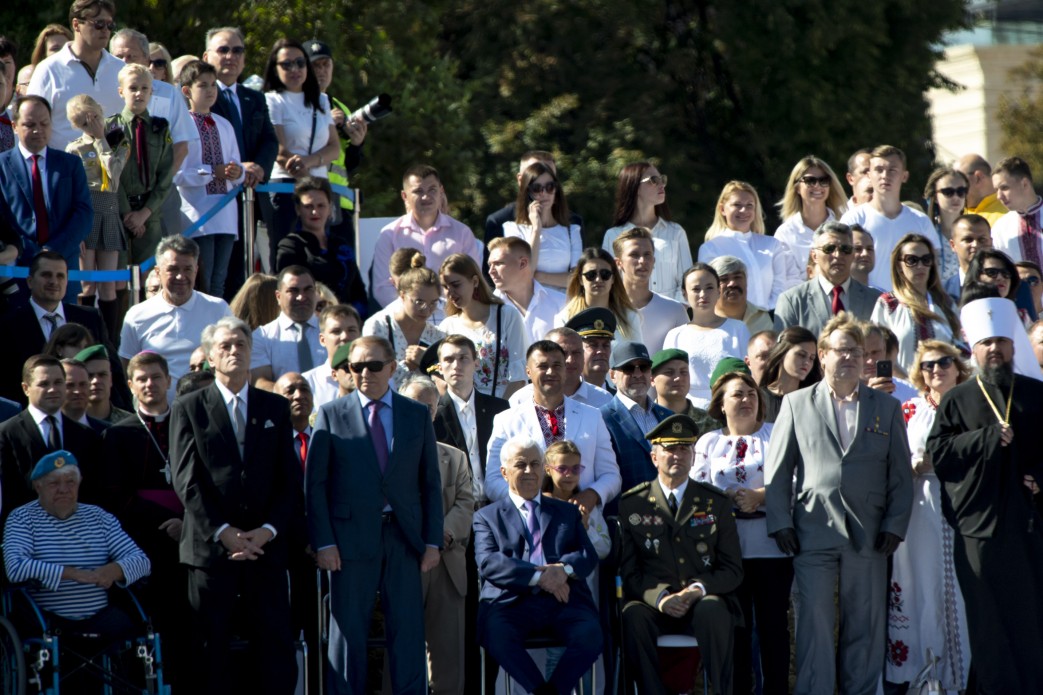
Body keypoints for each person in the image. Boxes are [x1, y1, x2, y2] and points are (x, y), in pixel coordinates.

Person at [765, 312, 913, 695]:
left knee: (864, 626)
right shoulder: (796, 403)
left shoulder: (886, 407)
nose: (849, 357)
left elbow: (900, 474)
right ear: (823, 355)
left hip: (870, 534)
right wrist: (780, 521)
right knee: (813, 624)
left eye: (856, 351)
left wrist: (895, 526)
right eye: (841, 350)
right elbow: (778, 471)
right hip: (812, 531)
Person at [170, 316, 300, 694]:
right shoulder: (189, 406)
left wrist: (268, 531)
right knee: (211, 650)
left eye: (241, 344)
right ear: (210, 357)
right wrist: (223, 531)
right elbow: (186, 479)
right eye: (224, 346)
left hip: (264, 549)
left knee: (274, 648)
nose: (234, 351)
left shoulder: (275, 407)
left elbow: (289, 479)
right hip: (211, 551)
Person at [306, 335, 442, 695]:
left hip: (404, 537)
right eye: (356, 366)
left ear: (392, 367)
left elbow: (430, 483)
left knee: (408, 632)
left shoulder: (416, 414)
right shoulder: (331, 413)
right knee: (347, 634)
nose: (365, 373)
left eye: (374, 365)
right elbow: (315, 486)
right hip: (349, 541)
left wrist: (432, 541)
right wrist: (324, 542)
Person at [927, 296, 1043, 693]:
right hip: (979, 529)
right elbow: (940, 453)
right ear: (973, 349)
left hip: (1029, 525)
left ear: (1012, 345)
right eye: (986, 343)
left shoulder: (1036, 393)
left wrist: (1040, 477)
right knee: (987, 620)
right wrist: (985, 439)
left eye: (1001, 341)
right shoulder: (957, 399)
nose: (994, 349)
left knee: (1030, 616)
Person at [619, 413, 744, 695]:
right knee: (632, 615)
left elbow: (732, 569)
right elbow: (630, 572)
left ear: (693, 455)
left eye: (685, 448)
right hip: (655, 605)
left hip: (702, 603)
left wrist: (696, 590)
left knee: (713, 609)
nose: (678, 455)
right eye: (670, 448)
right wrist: (661, 598)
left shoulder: (715, 502)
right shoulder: (633, 503)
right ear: (654, 457)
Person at [473, 436, 602, 695]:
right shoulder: (486, 516)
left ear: (543, 469)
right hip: (512, 601)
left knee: (590, 634)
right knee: (496, 634)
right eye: (520, 465)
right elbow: (488, 562)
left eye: (535, 464)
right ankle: (541, 690)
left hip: (564, 600)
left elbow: (587, 554)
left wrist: (562, 571)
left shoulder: (567, 512)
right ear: (504, 472)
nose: (529, 471)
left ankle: (553, 689)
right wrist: (538, 577)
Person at [694, 371, 790, 695]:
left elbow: (795, 479)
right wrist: (726, 498)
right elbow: (696, 489)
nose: (747, 399)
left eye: (751, 393)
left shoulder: (775, 434)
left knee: (773, 630)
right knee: (736, 630)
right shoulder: (709, 442)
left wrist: (760, 496)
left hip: (770, 549)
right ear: (721, 404)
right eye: (737, 394)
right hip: (727, 552)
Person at [885, 340, 971, 692]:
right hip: (920, 506)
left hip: (963, 504)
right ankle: (924, 675)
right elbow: (891, 459)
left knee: (961, 588)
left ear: (958, 367)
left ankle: (963, 673)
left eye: (944, 362)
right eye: (928, 365)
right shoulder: (908, 409)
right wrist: (914, 465)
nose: (936, 369)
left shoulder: (973, 405)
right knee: (919, 582)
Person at [3, 449, 150, 645]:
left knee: (136, 631)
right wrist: (72, 573)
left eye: (70, 482)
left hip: (101, 619)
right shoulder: (22, 518)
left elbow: (142, 561)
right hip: (47, 620)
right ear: (38, 487)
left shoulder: (98, 517)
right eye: (54, 483)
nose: (63, 489)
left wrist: (113, 571)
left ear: (79, 483)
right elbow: (15, 568)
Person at [101, 349, 187, 682]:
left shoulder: (189, 425)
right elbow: (115, 495)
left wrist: (188, 522)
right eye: (142, 379)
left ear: (169, 380)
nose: (150, 384)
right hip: (144, 543)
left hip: (189, 538)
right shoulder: (117, 434)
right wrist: (164, 520)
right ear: (131, 385)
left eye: (156, 377)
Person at [386, 375, 473, 695]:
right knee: (400, 652)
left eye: (429, 407)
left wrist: (441, 532)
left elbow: (466, 502)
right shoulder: (384, 455)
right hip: (403, 560)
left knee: (448, 657)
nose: (422, 412)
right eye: (414, 405)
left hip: (447, 564)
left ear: (435, 413)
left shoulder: (455, 457)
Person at [486, 340, 621, 510]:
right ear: (528, 372)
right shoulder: (506, 420)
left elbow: (611, 475)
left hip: (582, 518)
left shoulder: (592, 416)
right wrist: (530, 502)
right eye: (542, 366)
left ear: (565, 370)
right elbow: (493, 481)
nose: (550, 372)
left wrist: (592, 494)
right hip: (528, 519)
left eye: (557, 365)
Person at [202, 26, 278, 300]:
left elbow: (269, 140)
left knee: (250, 277)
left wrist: (258, 167)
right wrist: (239, 167)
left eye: (237, 50)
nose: (230, 56)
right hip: (216, 201)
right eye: (223, 50)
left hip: (252, 197)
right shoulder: (201, 98)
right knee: (218, 279)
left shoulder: (254, 97)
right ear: (206, 56)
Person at [1, 251, 124, 407]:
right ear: (30, 281)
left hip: (86, 413)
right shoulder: (9, 324)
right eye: (46, 275)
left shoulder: (90, 318)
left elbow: (113, 370)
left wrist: (125, 413)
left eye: (60, 276)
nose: (54, 281)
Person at [119, 236, 232, 402]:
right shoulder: (136, 316)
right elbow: (127, 367)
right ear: (158, 271)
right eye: (173, 269)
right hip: (155, 411)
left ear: (196, 270)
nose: (181, 276)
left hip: (207, 408)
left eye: (187, 269)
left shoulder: (218, 309)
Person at [540, 439, 612, 694]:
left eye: (575, 468)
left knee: (584, 649)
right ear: (548, 469)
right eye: (562, 468)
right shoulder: (539, 506)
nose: (569, 475)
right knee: (556, 652)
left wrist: (585, 528)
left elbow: (604, 548)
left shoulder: (586, 506)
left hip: (582, 593)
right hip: (548, 592)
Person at [0, 95, 92, 293]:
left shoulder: (71, 164)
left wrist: (52, 251)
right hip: (18, 271)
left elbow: (83, 213)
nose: (38, 130)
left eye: (44, 124)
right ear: (14, 126)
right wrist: (30, 251)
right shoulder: (1, 166)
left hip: (63, 268)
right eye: (30, 124)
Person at [262, 38, 340, 269]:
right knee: (286, 254)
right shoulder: (272, 100)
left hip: (318, 186)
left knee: (321, 253)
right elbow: (278, 148)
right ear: (275, 69)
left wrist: (309, 162)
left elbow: (334, 148)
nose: (295, 69)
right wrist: (302, 170)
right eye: (286, 64)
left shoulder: (321, 100)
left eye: (300, 63)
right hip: (285, 187)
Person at [0, 354, 102, 524]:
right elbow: (8, 493)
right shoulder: (7, 433)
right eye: (44, 384)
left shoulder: (86, 435)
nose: (53, 389)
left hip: (78, 530)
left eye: (58, 382)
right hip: (26, 530)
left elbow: (93, 491)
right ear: (26, 388)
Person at [173, 59, 244, 297]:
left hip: (226, 214)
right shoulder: (180, 126)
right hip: (198, 215)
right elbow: (177, 174)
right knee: (202, 279)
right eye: (203, 85)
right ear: (186, 91)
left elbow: (236, 165)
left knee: (219, 281)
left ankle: (218, 319)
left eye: (213, 84)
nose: (210, 90)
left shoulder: (225, 125)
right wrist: (213, 172)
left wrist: (237, 172)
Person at [372, 164, 481, 307]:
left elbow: (472, 281)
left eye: (432, 190)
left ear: (441, 191)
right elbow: (382, 288)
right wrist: (413, 312)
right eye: (418, 191)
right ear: (404, 196)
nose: (426, 197)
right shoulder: (389, 234)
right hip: (406, 317)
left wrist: (446, 313)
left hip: (452, 315)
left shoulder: (462, 233)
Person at [840, 145, 940, 292]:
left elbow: (934, 267)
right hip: (867, 302)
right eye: (879, 170)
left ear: (904, 176)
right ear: (869, 175)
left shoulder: (921, 220)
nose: (885, 175)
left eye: (892, 170)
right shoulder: (852, 219)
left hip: (911, 302)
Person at [27, 0, 124, 150]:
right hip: (65, 162)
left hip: (116, 162)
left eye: (110, 25)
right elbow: (32, 123)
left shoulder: (121, 69)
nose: (105, 30)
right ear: (76, 24)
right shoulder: (48, 70)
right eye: (99, 24)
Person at [65, 93, 130, 316]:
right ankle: (83, 330)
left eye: (94, 118)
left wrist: (101, 139)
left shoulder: (118, 140)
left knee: (108, 284)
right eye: (85, 124)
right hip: (86, 212)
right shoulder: (74, 148)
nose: (92, 126)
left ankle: (109, 333)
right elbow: (71, 191)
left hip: (109, 210)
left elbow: (114, 175)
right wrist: (77, 231)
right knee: (86, 284)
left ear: (101, 111)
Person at [106, 63, 175, 266]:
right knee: (118, 275)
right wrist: (129, 215)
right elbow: (110, 174)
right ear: (121, 92)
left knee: (149, 274)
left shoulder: (160, 128)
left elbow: (165, 175)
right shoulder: (112, 126)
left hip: (149, 213)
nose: (139, 93)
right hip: (119, 212)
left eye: (145, 88)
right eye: (133, 88)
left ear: (151, 91)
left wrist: (144, 214)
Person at [433, 334, 510, 506]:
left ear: (476, 363)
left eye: (463, 358)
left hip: (499, 505)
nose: (456, 365)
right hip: (455, 509)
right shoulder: (433, 417)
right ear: (439, 367)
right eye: (449, 359)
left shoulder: (500, 409)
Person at [438, 253, 527, 399]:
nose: (450, 293)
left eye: (456, 285)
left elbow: (519, 376)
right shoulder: (447, 326)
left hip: (505, 403)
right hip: (466, 406)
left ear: (474, 281)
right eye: (445, 287)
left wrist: (500, 408)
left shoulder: (506, 315)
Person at [871, 233, 961, 373]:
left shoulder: (946, 304)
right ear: (899, 266)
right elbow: (876, 353)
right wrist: (906, 382)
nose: (920, 266)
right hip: (901, 385)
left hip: (942, 383)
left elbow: (961, 352)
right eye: (912, 260)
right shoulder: (888, 304)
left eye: (926, 260)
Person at [304, 40, 367, 243]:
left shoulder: (342, 108)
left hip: (340, 203)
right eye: (315, 65)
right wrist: (325, 123)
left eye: (326, 65)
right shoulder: (295, 107)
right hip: (309, 202)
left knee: (343, 261)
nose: (321, 71)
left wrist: (357, 144)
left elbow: (349, 165)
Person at [699, 180, 798, 309]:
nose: (744, 210)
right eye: (737, 205)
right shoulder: (711, 248)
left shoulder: (772, 244)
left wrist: (764, 314)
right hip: (729, 319)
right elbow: (709, 291)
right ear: (722, 209)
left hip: (769, 317)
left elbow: (780, 287)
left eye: (749, 205)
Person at [774, 220, 882, 337]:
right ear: (814, 256)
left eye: (845, 249)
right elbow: (785, 347)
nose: (838, 255)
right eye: (829, 248)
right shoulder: (793, 301)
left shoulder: (874, 299)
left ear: (852, 254)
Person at [663, 263, 750, 407]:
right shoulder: (675, 335)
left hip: (731, 407)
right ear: (684, 294)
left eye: (709, 288)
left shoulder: (738, 329)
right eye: (696, 289)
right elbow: (667, 380)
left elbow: (749, 373)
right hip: (688, 410)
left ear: (718, 291)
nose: (703, 294)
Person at [602, 161, 692, 301]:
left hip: (671, 312)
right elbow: (608, 282)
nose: (661, 185)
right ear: (635, 187)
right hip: (628, 311)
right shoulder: (612, 235)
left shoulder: (676, 232)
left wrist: (674, 310)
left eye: (662, 179)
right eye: (653, 180)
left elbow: (688, 281)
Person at [276, 176, 366, 311]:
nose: (315, 212)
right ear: (298, 209)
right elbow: (290, 292)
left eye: (321, 206)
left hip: (346, 317)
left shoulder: (341, 245)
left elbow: (358, 290)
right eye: (308, 206)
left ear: (330, 208)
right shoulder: (289, 246)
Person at [362, 252, 446, 391]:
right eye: (419, 302)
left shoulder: (437, 336)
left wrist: (427, 362)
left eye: (433, 303)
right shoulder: (378, 326)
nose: (426, 309)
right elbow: (369, 373)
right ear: (402, 295)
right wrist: (407, 366)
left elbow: (445, 382)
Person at [599, 341, 673, 497]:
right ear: (612, 375)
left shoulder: (669, 417)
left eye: (643, 367)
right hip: (626, 507)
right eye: (628, 368)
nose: (638, 374)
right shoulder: (601, 419)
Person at [503, 161, 581, 291]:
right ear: (527, 193)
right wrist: (536, 229)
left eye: (550, 187)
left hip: (563, 301)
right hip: (530, 301)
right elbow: (524, 274)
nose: (544, 193)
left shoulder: (572, 231)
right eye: (536, 188)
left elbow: (577, 279)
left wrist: (539, 276)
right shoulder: (514, 230)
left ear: (556, 191)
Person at [484, 150, 584, 248]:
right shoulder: (499, 221)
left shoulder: (573, 223)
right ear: (521, 180)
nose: (544, 192)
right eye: (536, 185)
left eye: (550, 185)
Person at [249, 266, 327, 390]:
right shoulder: (263, 337)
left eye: (308, 289)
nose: (301, 297)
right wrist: (293, 396)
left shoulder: (332, 331)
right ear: (278, 296)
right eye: (293, 291)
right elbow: (260, 382)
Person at [613, 226, 690, 352]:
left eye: (647, 255)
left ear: (653, 261)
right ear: (618, 263)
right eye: (634, 255)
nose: (642, 261)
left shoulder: (675, 310)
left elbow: (686, 356)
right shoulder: (607, 308)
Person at [508, 326, 614, 409]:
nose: (570, 360)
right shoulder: (521, 400)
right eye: (563, 353)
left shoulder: (603, 399)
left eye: (576, 353)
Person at [774, 155, 849, 272]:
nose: (817, 185)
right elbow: (786, 276)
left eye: (823, 180)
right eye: (810, 181)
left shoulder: (845, 224)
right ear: (797, 188)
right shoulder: (785, 233)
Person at [487, 235, 566, 345]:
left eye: (498, 263)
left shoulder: (562, 303)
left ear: (522, 263)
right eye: (490, 265)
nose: (491, 271)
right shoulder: (487, 309)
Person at [556, 247, 642, 341]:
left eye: (605, 274)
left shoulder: (629, 317)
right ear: (580, 279)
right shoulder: (565, 318)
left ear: (613, 278)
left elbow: (638, 350)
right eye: (591, 275)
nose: (598, 279)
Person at [650, 348, 722, 434]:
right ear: (652, 380)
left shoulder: (710, 422)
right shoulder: (644, 421)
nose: (678, 378)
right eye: (669, 372)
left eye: (683, 372)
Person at [303, 303, 361, 408]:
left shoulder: (378, 376)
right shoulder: (307, 383)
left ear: (360, 335)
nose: (345, 336)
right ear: (322, 339)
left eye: (351, 330)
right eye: (336, 331)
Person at [758, 326, 821, 423]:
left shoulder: (814, 401)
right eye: (801, 355)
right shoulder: (758, 397)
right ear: (783, 353)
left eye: (811, 358)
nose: (807, 362)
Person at [964, 248, 1032, 328]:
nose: (1000, 278)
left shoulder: (1022, 318)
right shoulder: (964, 317)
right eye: (992, 272)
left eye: (1005, 273)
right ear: (977, 276)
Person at [923, 166, 969, 283]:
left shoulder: (976, 233)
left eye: (961, 191)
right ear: (935, 197)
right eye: (948, 192)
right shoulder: (926, 234)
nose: (956, 197)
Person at [708, 255, 774, 336]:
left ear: (746, 281)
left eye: (737, 277)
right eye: (724, 279)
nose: (732, 283)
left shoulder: (768, 317)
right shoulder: (703, 323)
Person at [942, 213, 993, 302]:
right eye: (968, 240)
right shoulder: (942, 292)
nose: (976, 245)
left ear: (991, 242)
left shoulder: (1005, 285)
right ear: (953, 245)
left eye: (982, 239)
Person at [566, 308, 617, 394]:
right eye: (593, 345)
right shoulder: (563, 398)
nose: (601, 351)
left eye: (605, 345)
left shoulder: (619, 400)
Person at [76, 344, 131, 424]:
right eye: (89, 376)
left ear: (110, 379)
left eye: (102, 375)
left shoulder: (129, 423)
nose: (96, 381)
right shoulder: (69, 423)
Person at [954, 153, 1008, 228]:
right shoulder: (953, 214)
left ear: (978, 178)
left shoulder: (1008, 216)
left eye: (959, 178)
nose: (953, 185)